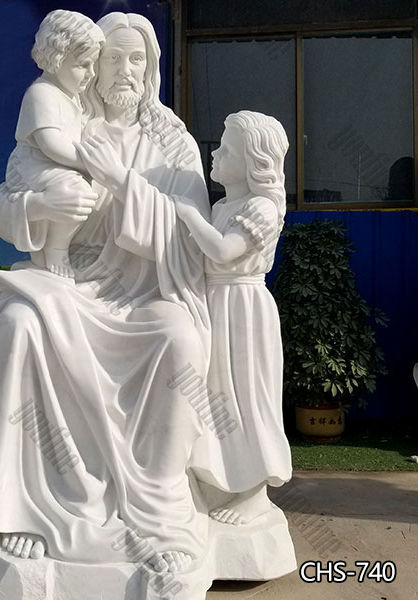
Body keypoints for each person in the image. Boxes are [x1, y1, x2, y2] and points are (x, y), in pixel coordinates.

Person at [0, 12, 213, 573]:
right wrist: (40, 205)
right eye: (113, 57)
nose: (125, 70)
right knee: (18, 324)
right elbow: (5, 201)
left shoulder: (172, 142)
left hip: (146, 294)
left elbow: (192, 234)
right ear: (92, 65)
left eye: (137, 59)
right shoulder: (67, 119)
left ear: (151, 68)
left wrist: (123, 182)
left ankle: (158, 514)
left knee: (179, 340)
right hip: (71, 282)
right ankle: (26, 508)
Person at [176, 110, 293, 524]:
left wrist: (189, 214)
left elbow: (225, 251)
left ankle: (255, 492)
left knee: (248, 399)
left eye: (226, 150)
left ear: (254, 163)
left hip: (243, 310)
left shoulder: (261, 207)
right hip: (214, 307)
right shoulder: (224, 205)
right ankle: (221, 482)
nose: (215, 154)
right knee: (215, 400)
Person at [5, 10, 104, 278]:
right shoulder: (42, 94)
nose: (91, 73)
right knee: (75, 191)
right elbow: (51, 145)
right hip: (31, 166)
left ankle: (62, 247)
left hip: (57, 167)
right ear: (56, 59)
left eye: (93, 65)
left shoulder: (73, 97)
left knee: (88, 191)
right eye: (83, 65)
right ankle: (56, 249)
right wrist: (89, 162)